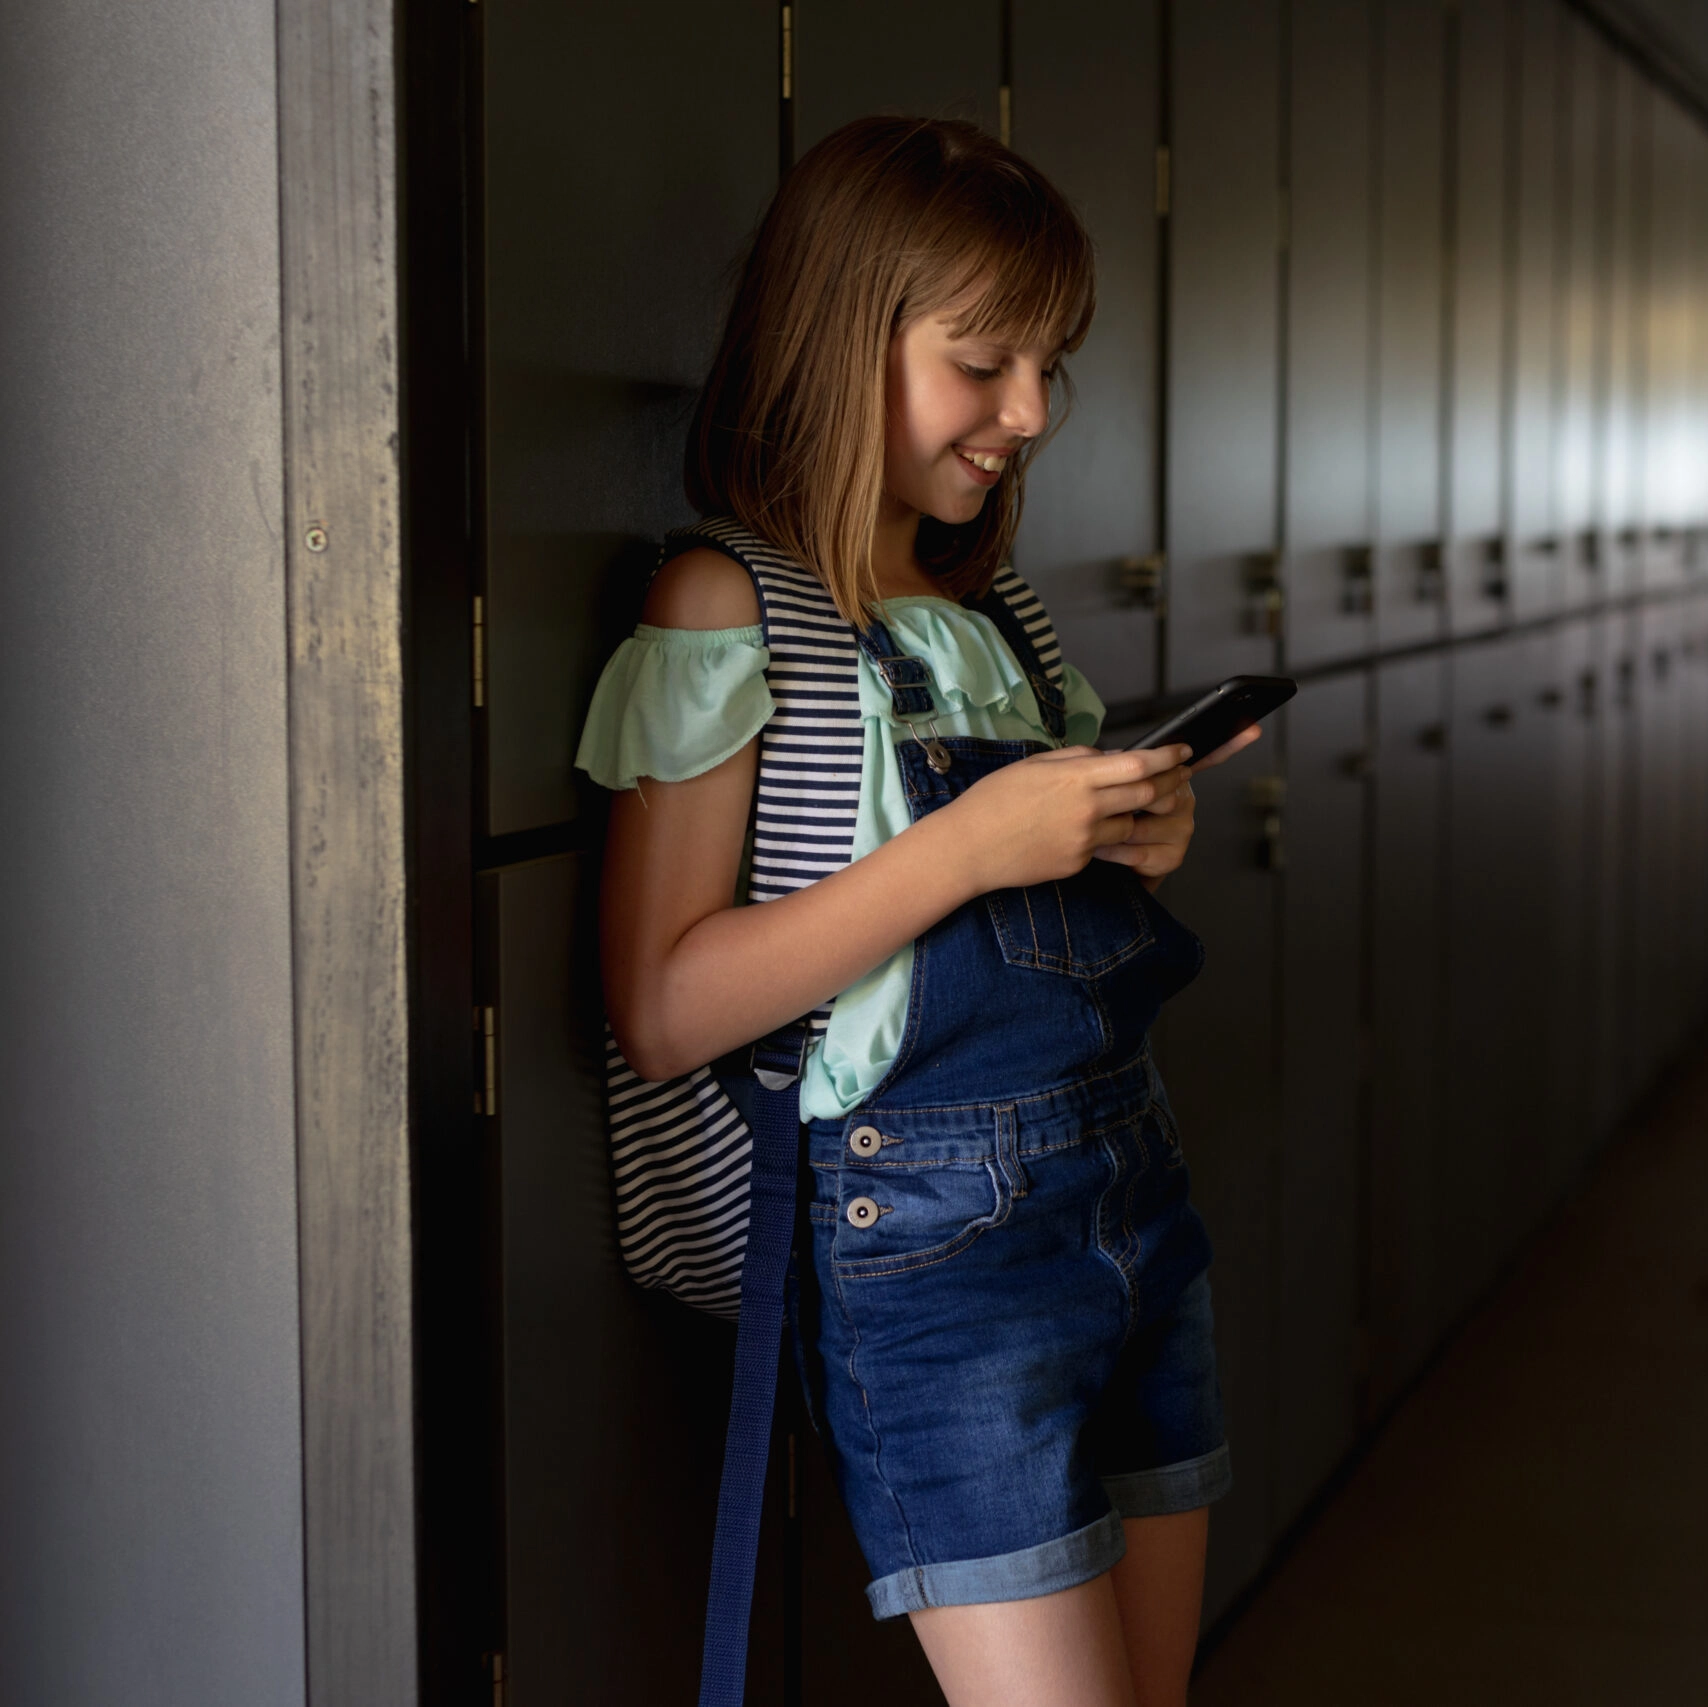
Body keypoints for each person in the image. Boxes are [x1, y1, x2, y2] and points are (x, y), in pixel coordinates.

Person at [577, 114, 1257, 1707]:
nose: (1028, 412)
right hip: (937, 1259)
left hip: (1133, 1202)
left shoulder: (994, 611)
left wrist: (1129, 828)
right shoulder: (725, 607)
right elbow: (664, 1006)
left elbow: (1042, 877)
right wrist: (966, 849)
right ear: (837, 341)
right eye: (982, 361)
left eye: (1048, 367)